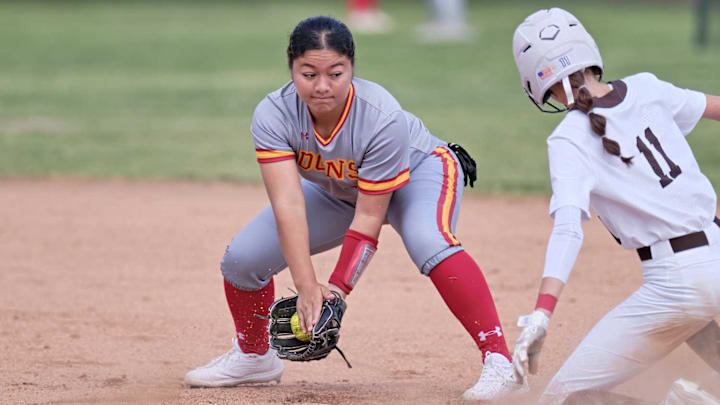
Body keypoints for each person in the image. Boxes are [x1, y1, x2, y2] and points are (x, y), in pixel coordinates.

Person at [184, 15, 526, 401]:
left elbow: (369, 218)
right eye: (308, 73)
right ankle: (253, 355)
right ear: (291, 68)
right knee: (242, 260)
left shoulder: (381, 116)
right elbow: (288, 205)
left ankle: (500, 360)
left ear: (352, 68)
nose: (323, 86)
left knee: (427, 241)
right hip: (343, 190)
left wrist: (338, 288)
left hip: (419, 172)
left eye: (336, 72)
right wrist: (306, 286)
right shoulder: (273, 114)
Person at [510, 7, 720, 405]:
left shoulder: (567, 139)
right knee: (691, 317)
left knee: (559, 400)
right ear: (590, 54)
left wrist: (542, 313)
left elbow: (569, 230)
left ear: (535, 82)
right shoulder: (646, 86)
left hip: (675, 284)